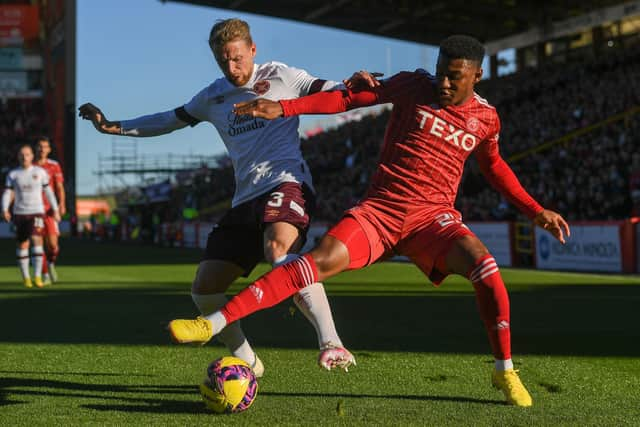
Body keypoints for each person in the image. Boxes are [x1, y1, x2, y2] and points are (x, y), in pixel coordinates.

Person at [169, 35, 571, 407]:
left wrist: (536, 211)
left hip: (433, 221)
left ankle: (505, 371)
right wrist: (285, 107)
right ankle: (212, 324)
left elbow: (495, 166)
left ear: (477, 76)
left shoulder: (486, 118)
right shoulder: (414, 85)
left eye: (454, 78)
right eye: (440, 72)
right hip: (379, 213)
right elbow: (346, 101)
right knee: (311, 265)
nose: (443, 84)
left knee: (487, 270)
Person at [78, 18, 355, 376]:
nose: (232, 67)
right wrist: (112, 126)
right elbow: (168, 119)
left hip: (287, 183)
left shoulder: (282, 76)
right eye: (223, 61)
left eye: (237, 58)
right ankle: (248, 360)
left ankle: (331, 343)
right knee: (204, 290)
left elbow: (331, 90)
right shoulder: (213, 96)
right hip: (244, 199)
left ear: (252, 50)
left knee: (278, 250)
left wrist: (359, 84)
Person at [2, 145, 61, 288]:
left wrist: (55, 209)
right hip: (20, 213)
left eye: (27, 154)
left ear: (32, 156)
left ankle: (37, 276)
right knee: (22, 244)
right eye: (22, 154)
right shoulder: (13, 174)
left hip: (36, 212)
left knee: (37, 240)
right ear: (18, 156)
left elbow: (49, 192)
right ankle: (26, 278)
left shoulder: (40, 172)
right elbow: (8, 193)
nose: (24, 157)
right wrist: (4, 209)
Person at [35, 136, 66, 284]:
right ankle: (45, 275)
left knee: (53, 246)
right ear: (36, 148)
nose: (42, 149)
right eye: (40, 146)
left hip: (50, 211)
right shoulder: (30, 166)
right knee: (38, 244)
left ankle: (51, 263)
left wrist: (61, 205)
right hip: (33, 210)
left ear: (49, 149)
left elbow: (59, 187)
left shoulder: (54, 166)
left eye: (45, 146)